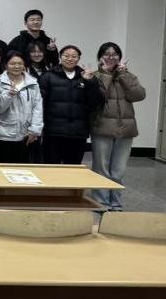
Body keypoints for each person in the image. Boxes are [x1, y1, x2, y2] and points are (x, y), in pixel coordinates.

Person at [90, 42, 145, 211]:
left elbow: (139, 95)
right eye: (106, 54)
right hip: (102, 127)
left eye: (114, 54)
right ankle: (101, 202)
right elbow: (98, 97)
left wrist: (124, 75)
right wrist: (106, 74)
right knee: (101, 168)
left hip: (125, 129)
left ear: (119, 57)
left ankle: (115, 202)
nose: (111, 57)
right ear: (100, 57)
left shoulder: (128, 76)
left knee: (118, 170)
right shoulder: (95, 76)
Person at [38, 45, 104, 164]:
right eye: (66, 56)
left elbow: (95, 103)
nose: (70, 59)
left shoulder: (86, 76)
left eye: (74, 56)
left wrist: (90, 82)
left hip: (78, 132)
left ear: (78, 59)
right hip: (53, 132)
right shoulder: (48, 76)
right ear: (60, 57)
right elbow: (40, 104)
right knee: (51, 167)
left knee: (73, 167)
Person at [0, 51, 43, 163]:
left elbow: (37, 107)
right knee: (4, 168)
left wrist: (35, 130)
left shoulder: (32, 83)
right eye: (12, 63)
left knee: (24, 169)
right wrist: (8, 95)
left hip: (27, 134)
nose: (16, 66)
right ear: (6, 65)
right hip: (4, 134)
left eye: (20, 63)